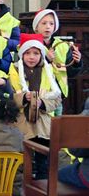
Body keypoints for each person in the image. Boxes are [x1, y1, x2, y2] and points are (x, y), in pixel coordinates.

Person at [9, 33, 61, 180]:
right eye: (27, 53)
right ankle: (22, 192)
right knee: (22, 161)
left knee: (43, 161)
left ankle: (42, 191)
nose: (31, 57)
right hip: (21, 123)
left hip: (43, 125)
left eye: (36, 53)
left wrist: (42, 103)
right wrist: (23, 98)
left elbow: (57, 99)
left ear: (41, 54)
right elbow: (9, 97)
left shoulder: (48, 72)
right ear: (21, 54)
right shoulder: (13, 70)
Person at [32, 9, 83, 114]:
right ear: (36, 27)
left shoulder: (63, 46)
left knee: (57, 126)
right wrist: (46, 59)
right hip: (39, 95)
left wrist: (76, 62)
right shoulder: (31, 45)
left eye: (51, 23)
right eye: (44, 23)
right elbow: (27, 69)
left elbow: (70, 73)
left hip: (57, 95)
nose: (48, 26)